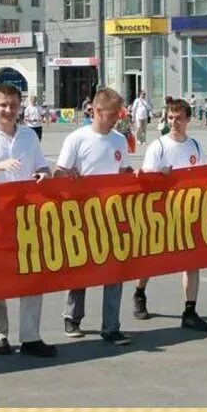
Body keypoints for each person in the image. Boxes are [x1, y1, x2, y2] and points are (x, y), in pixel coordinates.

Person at [0, 83, 56, 358]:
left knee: (32, 276)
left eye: (13, 105)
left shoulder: (28, 135)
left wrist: (44, 174)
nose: (8, 110)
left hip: (26, 216)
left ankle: (31, 336)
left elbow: (41, 166)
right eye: (3, 105)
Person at [54, 88, 134, 345]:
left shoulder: (119, 140)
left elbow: (123, 172)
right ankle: (72, 316)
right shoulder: (77, 138)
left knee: (115, 270)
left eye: (119, 114)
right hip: (82, 214)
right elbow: (58, 173)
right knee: (81, 268)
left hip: (111, 213)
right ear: (97, 111)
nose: (117, 119)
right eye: (112, 114)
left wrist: (132, 175)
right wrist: (69, 175)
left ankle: (111, 326)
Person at [131, 99, 207, 332]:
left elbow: (203, 177)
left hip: (188, 212)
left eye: (179, 118)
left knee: (192, 262)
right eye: (170, 118)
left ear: (188, 120)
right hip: (162, 212)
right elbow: (146, 178)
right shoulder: (159, 146)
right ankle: (139, 291)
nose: (174, 122)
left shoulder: (195, 146)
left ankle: (190, 310)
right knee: (152, 259)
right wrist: (159, 175)